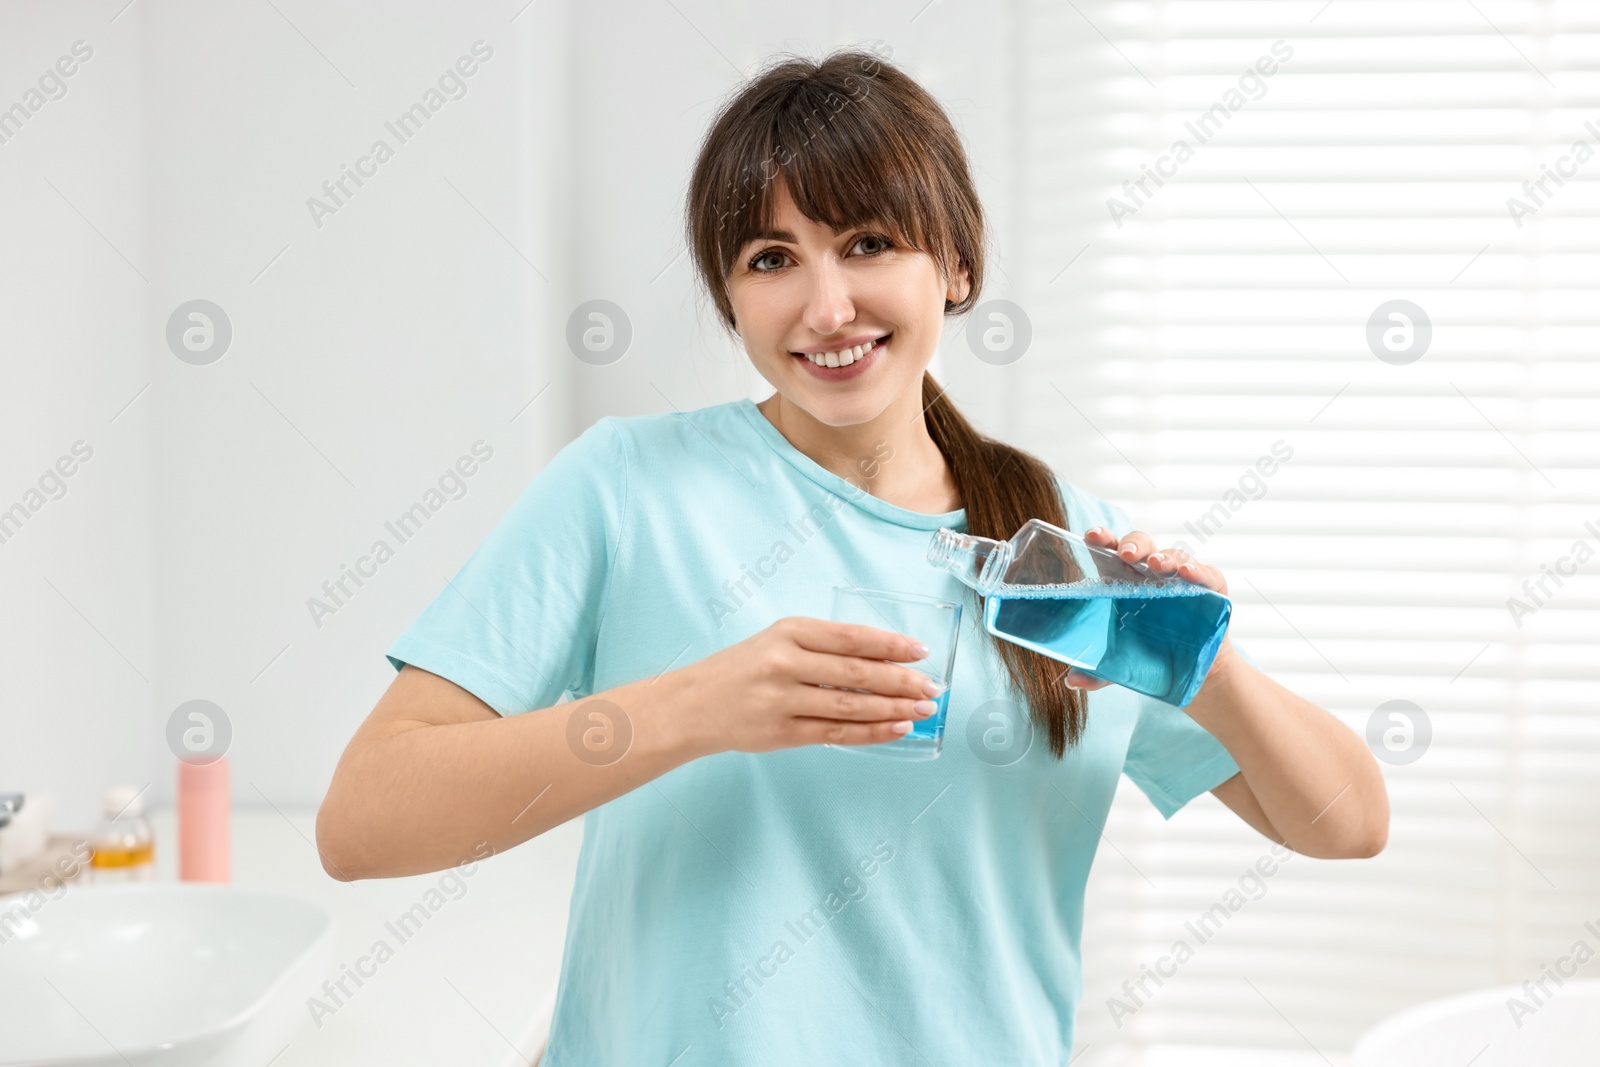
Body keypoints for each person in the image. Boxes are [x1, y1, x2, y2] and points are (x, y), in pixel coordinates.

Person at [316, 47, 1388, 1065]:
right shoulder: (626, 488)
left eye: (868, 242)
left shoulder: (1056, 552)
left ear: (955, 262)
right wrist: (699, 706)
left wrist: (1204, 658)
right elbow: (364, 819)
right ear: (730, 294)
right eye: (771, 259)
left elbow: (1347, 823)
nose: (825, 307)